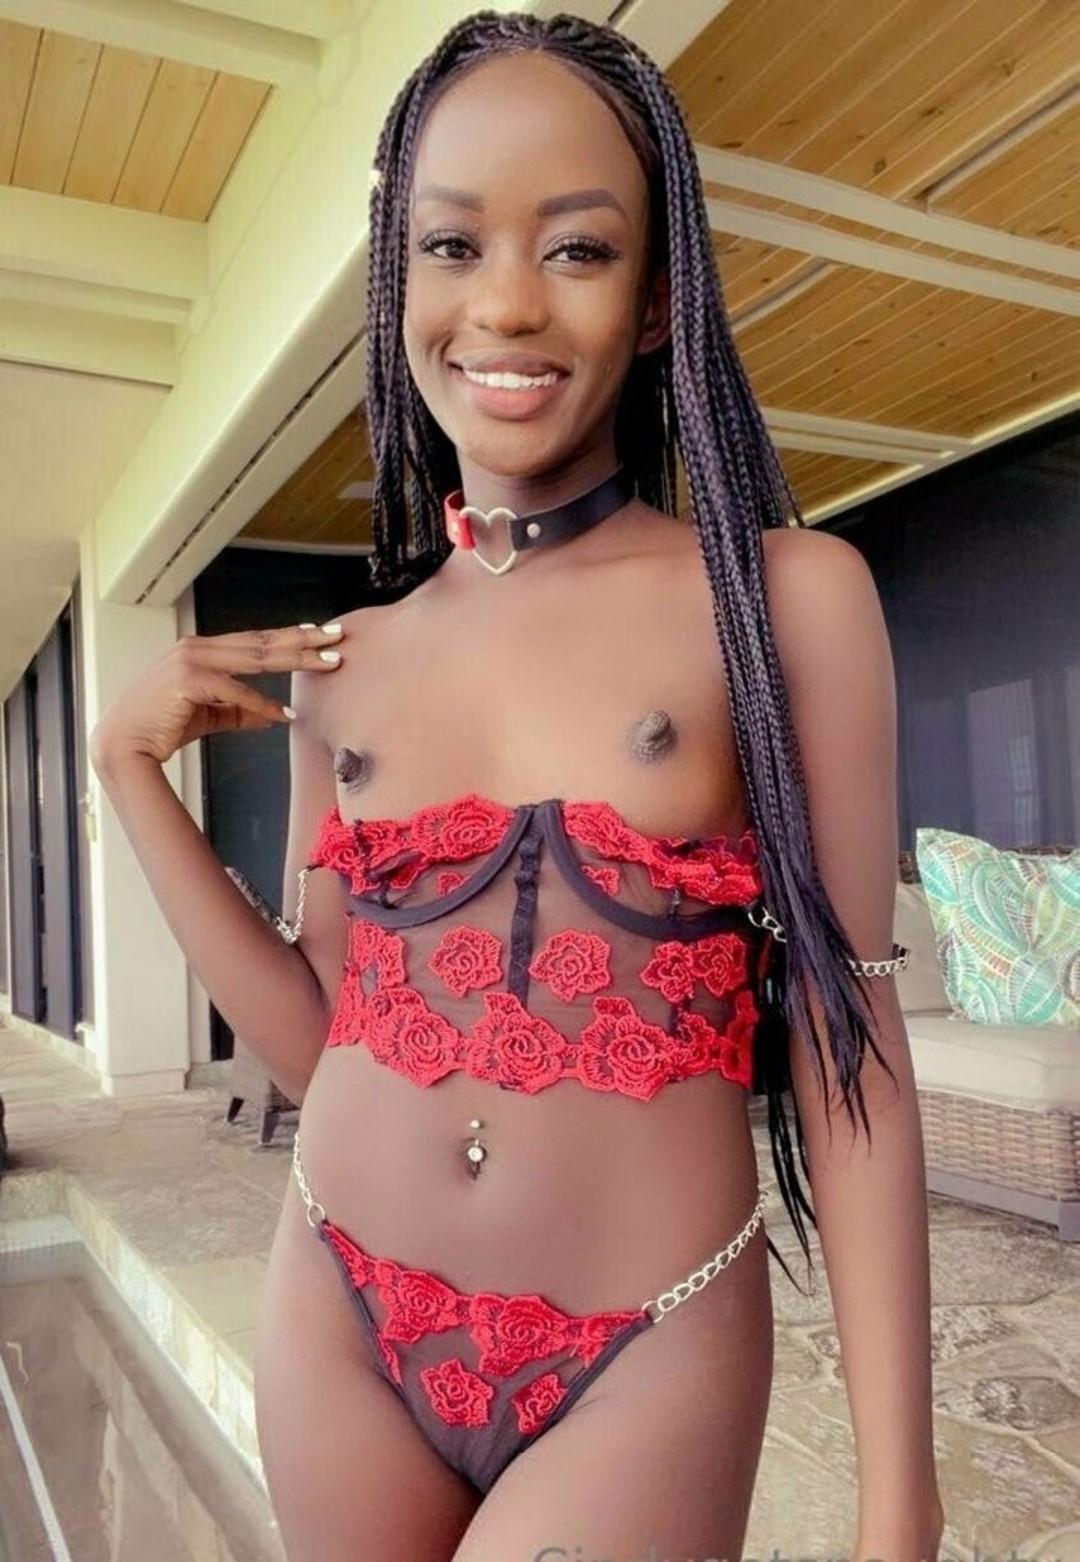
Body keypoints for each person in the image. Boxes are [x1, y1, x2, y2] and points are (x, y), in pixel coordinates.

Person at [89, 11, 945, 1560]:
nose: (503, 303)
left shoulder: (783, 601)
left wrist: (903, 1505)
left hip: (648, 1349)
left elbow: (854, 1046)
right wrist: (124, 771)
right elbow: (326, 1035)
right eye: (451, 244)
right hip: (341, 1315)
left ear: (659, 293)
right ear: (399, 280)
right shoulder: (346, 663)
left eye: (577, 248)